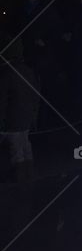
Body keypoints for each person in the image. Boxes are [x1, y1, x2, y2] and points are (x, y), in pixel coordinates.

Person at [0, 33, 39, 181]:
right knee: (25, 147)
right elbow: (35, 96)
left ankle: (21, 181)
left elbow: (2, 102)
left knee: (17, 151)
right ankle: (29, 177)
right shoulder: (28, 71)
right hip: (26, 118)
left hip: (12, 120)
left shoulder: (6, 74)